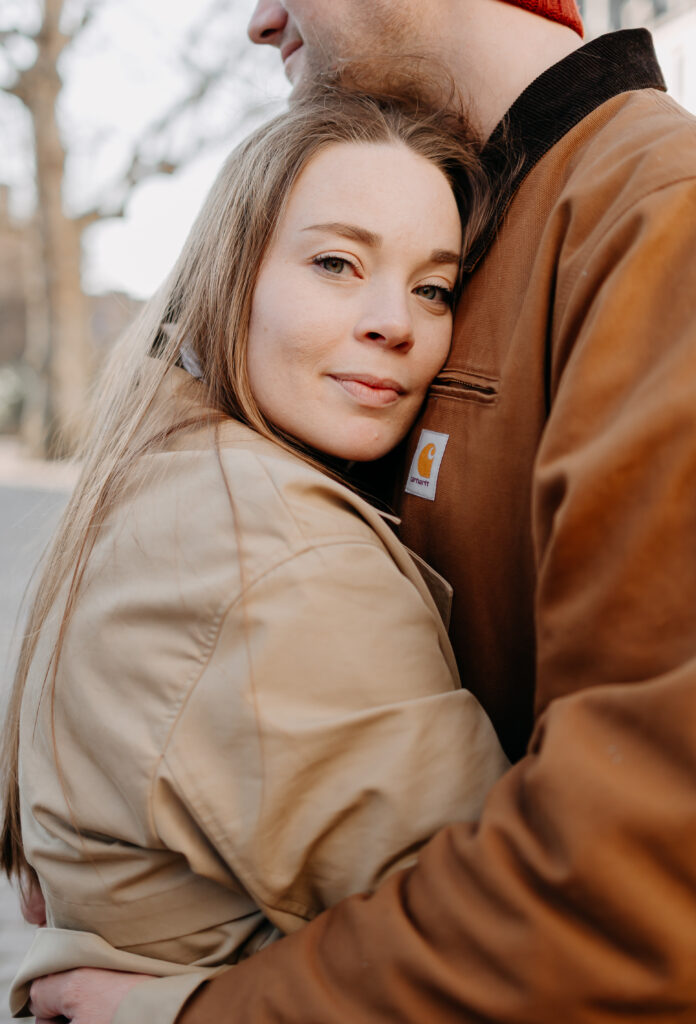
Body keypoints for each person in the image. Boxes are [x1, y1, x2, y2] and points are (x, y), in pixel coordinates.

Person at [22, 0, 696, 1020]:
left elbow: (628, 879)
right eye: (336, 262)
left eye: (435, 288)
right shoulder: (248, 513)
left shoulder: (649, 216)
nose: (261, 19)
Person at [2, 87, 511, 1017]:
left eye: (433, 287)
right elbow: (511, 953)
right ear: (231, 275)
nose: (394, 321)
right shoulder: (274, 543)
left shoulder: (176, 472)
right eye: (336, 262)